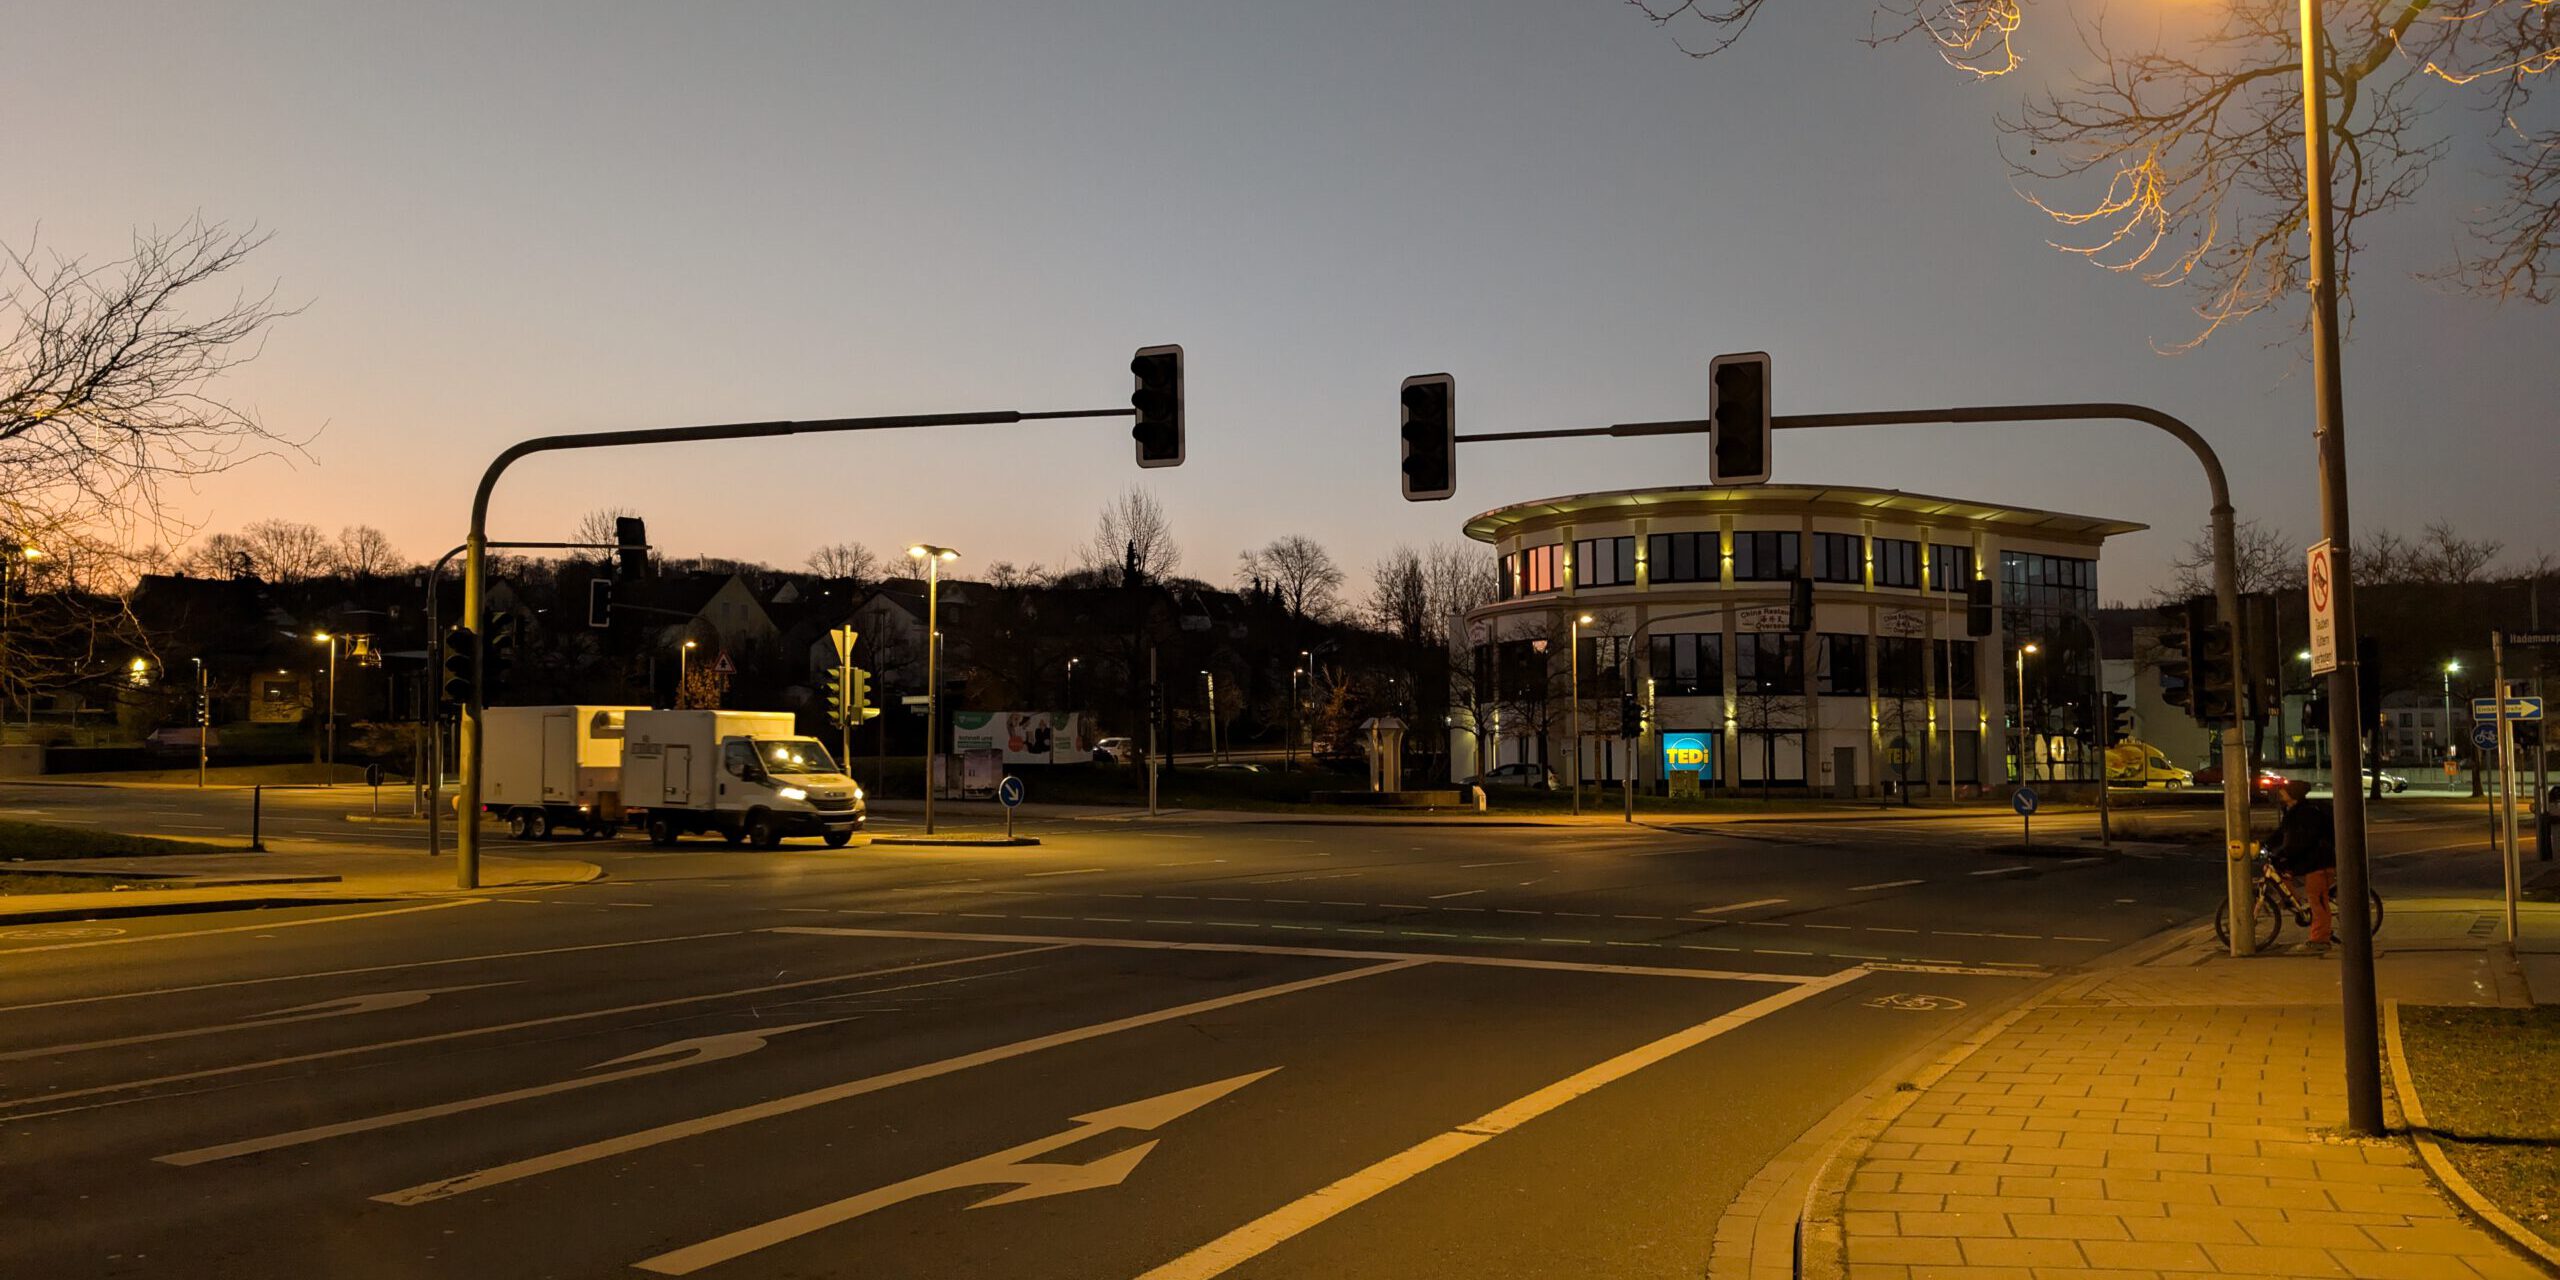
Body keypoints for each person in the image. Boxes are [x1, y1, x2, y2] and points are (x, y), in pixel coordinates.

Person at [2265, 779, 2338, 949]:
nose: (2281, 793)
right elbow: (2282, 833)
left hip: (2319, 861)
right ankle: (2297, 904)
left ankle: (2320, 939)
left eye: (2284, 791)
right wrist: (2265, 845)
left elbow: (2302, 840)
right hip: (2307, 859)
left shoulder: (2306, 813)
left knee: (2317, 899)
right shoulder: (2291, 811)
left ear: (2293, 795)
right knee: (2279, 870)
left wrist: (2284, 853)